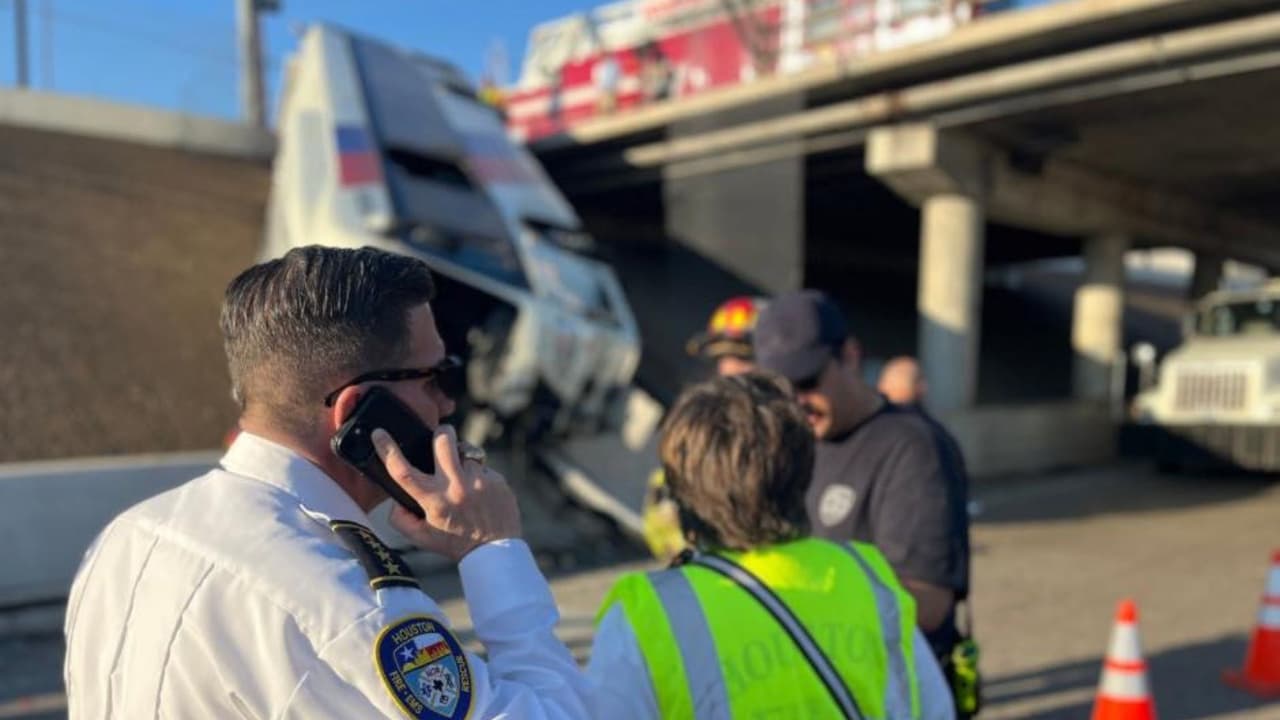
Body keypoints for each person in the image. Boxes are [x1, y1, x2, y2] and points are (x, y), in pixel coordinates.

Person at [64, 246, 591, 719]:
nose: (447, 404)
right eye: (434, 377)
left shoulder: (130, 534)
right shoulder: (341, 602)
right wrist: (492, 550)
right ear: (359, 411)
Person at [589, 373, 954, 719]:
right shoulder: (868, 579)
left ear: (682, 490)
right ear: (804, 470)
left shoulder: (647, 615)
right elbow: (934, 709)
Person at [753, 291, 971, 682]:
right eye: (780, 388)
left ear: (850, 357)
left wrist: (787, 607)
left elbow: (925, 604)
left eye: (807, 381)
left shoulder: (913, 447)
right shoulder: (790, 446)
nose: (796, 401)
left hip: (891, 692)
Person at [642, 296, 766, 561]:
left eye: (744, 355)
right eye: (721, 357)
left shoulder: (805, 432)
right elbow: (661, 527)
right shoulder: (696, 435)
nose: (729, 369)